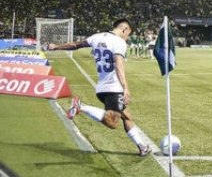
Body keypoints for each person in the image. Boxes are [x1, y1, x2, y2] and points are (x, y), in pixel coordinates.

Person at [47, 18, 152, 156]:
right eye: (128, 34)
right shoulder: (119, 42)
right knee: (113, 122)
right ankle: (81, 106)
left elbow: (76, 44)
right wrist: (125, 87)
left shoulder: (96, 37)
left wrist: (56, 47)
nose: (127, 37)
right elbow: (118, 64)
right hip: (114, 88)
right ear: (124, 29)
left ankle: (142, 146)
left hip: (102, 87)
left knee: (126, 116)